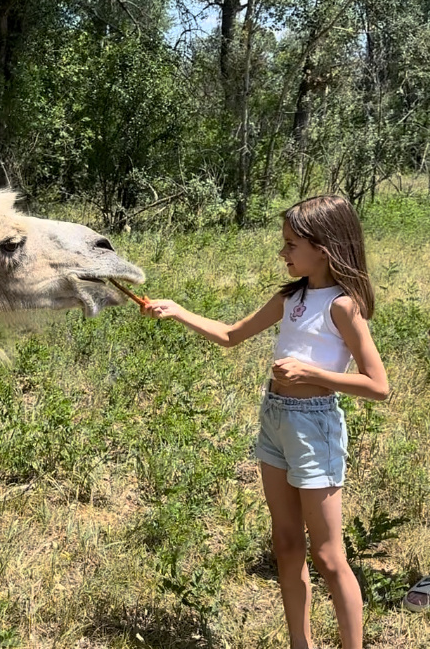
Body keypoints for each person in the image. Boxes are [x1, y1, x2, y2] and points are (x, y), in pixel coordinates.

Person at [142, 195, 389, 649]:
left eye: (292, 244)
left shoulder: (342, 306)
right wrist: (176, 310)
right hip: (274, 420)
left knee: (328, 556)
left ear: (325, 247)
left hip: (315, 428)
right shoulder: (290, 296)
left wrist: (311, 374)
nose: (284, 253)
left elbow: (379, 385)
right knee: (287, 545)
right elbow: (231, 336)